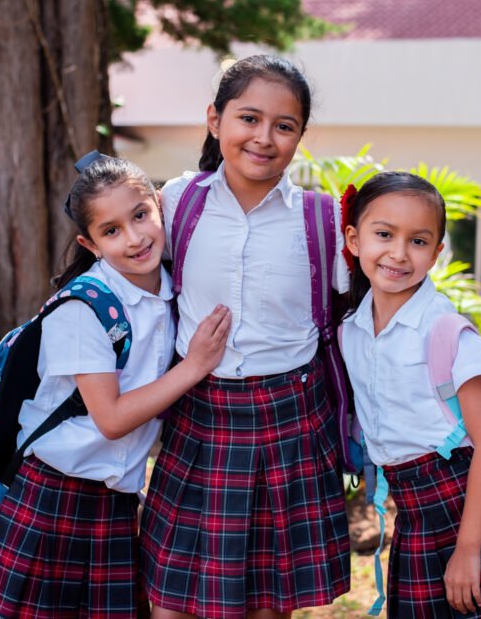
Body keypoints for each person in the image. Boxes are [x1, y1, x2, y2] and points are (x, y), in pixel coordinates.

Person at [0, 154, 231, 618]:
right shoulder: (82, 309)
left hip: (115, 503)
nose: (135, 238)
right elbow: (109, 419)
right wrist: (194, 366)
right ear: (90, 243)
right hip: (53, 498)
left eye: (141, 215)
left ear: (159, 207)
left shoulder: (172, 289)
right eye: (111, 231)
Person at [140, 55, 351, 619]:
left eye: (284, 126)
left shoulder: (323, 218)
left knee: (268, 604)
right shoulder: (177, 202)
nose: (264, 138)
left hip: (291, 421)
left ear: (300, 136)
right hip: (199, 418)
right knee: (171, 603)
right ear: (215, 121)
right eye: (248, 119)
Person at [340, 171, 481, 618]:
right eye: (384, 234)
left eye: (418, 241)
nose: (398, 253)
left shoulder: (447, 332)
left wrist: (469, 548)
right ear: (354, 239)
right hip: (414, 511)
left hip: (473, 508)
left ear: (436, 253)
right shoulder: (352, 330)